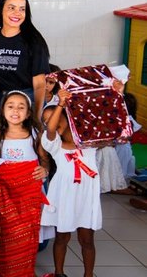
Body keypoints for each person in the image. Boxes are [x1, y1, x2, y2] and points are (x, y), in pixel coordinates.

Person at [0, 90, 50, 277]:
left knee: (26, 234)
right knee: (6, 233)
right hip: (4, 197)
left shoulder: (35, 134)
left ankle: (24, 270)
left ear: (28, 113)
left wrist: (44, 170)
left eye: (21, 107)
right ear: (2, 110)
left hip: (28, 195)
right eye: (11, 106)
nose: (15, 111)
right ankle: (6, 271)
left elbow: (44, 160)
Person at [41, 88, 100, 277]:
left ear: (68, 117)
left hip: (86, 196)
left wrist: (117, 92)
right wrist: (59, 104)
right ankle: (59, 273)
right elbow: (51, 130)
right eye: (46, 121)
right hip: (64, 195)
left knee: (87, 239)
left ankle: (88, 274)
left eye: (56, 118)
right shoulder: (53, 144)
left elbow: (105, 118)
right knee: (62, 237)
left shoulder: (88, 140)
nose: (51, 123)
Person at [0, 0, 50, 120]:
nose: (17, 13)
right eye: (11, 8)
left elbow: (39, 84)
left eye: (22, 9)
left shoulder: (34, 41)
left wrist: (37, 116)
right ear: (1, 9)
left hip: (24, 104)